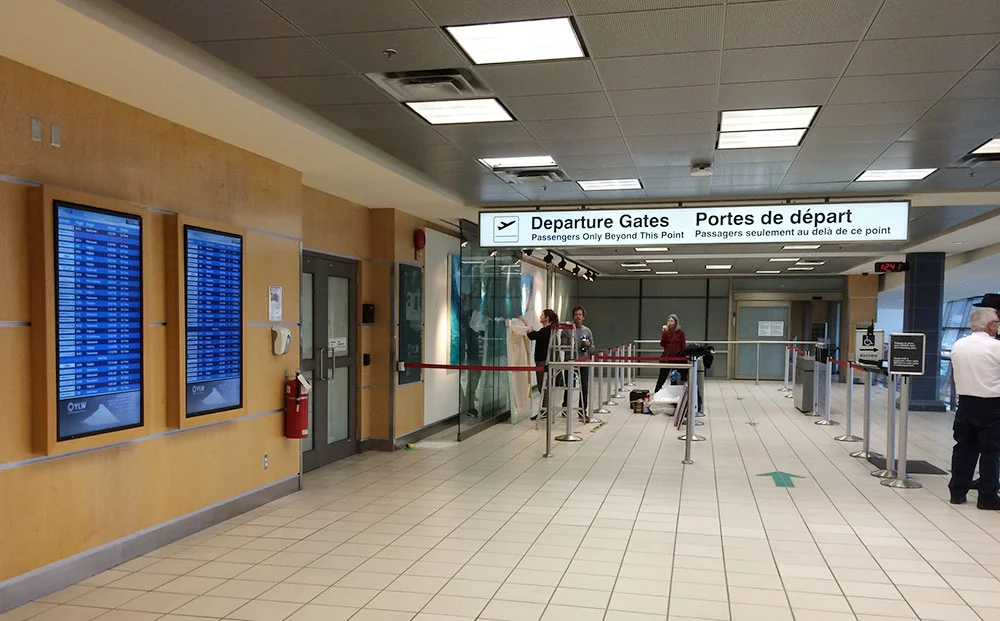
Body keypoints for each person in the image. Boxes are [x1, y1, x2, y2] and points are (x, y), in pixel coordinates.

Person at [948, 307, 1000, 509]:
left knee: (963, 448)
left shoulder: (958, 345)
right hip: (992, 405)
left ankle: (957, 492)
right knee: (990, 451)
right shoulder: (996, 347)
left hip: (965, 403)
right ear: (991, 325)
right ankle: (987, 496)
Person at [563, 306, 595, 419]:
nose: (578, 317)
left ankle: (582, 410)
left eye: (580, 315)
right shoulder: (567, 330)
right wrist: (570, 345)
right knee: (569, 386)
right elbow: (562, 346)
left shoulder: (587, 331)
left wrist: (588, 345)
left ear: (583, 317)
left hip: (583, 361)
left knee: (584, 387)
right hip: (570, 362)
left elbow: (592, 348)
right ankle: (565, 408)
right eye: (576, 314)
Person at [527, 309, 558, 394]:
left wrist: (529, 331)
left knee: (543, 385)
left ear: (547, 318)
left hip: (542, 361)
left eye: (542, 315)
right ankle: (545, 401)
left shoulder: (546, 330)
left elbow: (533, 336)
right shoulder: (549, 330)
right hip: (543, 360)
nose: (540, 317)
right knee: (544, 385)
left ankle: (545, 402)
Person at [654, 314, 687, 393]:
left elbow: (683, 345)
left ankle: (675, 393)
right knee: (662, 377)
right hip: (667, 357)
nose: (670, 322)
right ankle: (656, 392)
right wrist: (663, 333)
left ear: (676, 322)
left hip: (678, 358)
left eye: (672, 321)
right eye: (668, 321)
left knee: (676, 377)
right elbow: (662, 344)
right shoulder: (666, 332)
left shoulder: (680, 333)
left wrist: (683, 357)